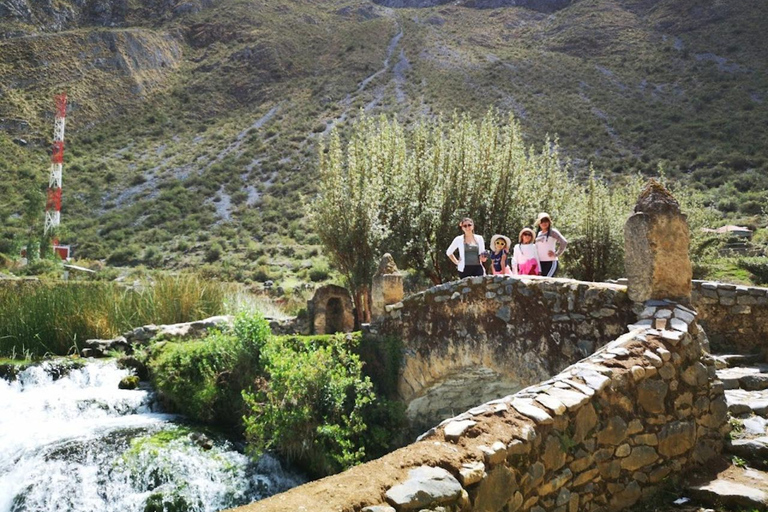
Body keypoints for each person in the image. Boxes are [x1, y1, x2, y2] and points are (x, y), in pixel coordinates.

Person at [534, 212, 568, 277]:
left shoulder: (553, 232)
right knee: (540, 282)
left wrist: (556, 254)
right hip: (540, 262)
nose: (544, 223)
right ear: (539, 223)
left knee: (546, 281)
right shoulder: (539, 234)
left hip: (551, 262)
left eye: (546, 221)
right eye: (542, 221)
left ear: (549, 222)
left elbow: (564, 242)